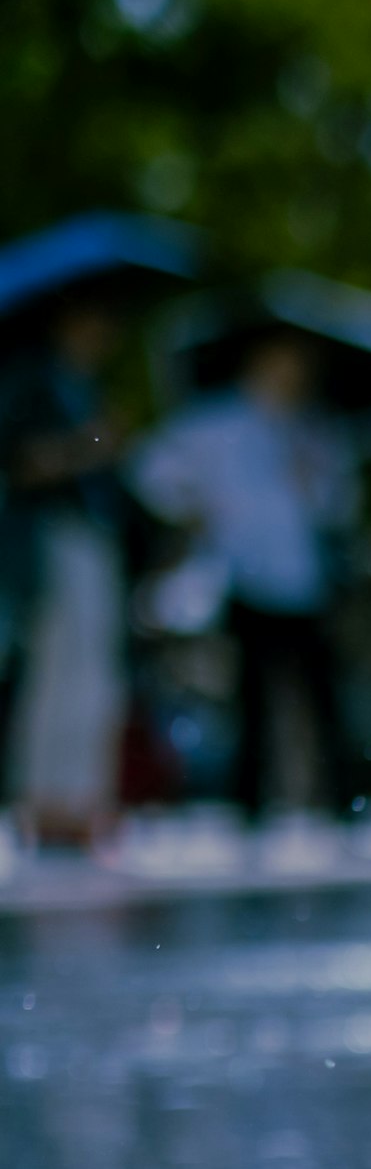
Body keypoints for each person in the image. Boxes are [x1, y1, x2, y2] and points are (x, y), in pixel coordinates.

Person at [133, 327, 360, 828]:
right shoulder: (214, 424)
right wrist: (189, 509)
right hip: (246, 573)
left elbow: (339, 504)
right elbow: (153, 470)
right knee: (254, 693)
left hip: (305, 579)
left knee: (320, 691)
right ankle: (251, 803)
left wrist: (315, 483)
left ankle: (340, 798)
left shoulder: (317, 430)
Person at [0, 295, 138, 848]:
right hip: (49, 538)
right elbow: (22, 462)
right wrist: (93, 444)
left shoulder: (90, 390)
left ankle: (85, 797)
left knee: (97, 675)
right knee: (56, 672)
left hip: (95, 540)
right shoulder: (30, 383)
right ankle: (44, 799)